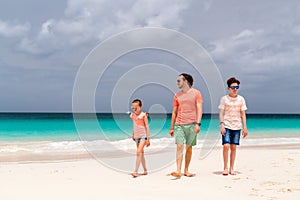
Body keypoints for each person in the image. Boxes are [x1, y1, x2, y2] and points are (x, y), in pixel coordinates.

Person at [169, 73, 203, 178]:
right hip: (179, 125)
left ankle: (186, 170)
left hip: (192, 124)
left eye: (179, 80)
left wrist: (198, 124)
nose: (177, 82)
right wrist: (171, 127)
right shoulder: (177, 95)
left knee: (189, 148)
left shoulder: (196, 93)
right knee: (179, 146)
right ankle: (178, 170)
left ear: (186, 82)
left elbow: (199, 109)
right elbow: (174, 112)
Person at [219, 77, 248, 176]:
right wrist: (221, 124)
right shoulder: (224, 99)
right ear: (228, 88)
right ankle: (225, 168)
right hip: (226, 124)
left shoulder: (241, 99)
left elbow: (243, 113)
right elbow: (221, 113)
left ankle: (232, 168)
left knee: (234, 147)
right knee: (226, 146)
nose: (235, 89)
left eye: (237, 87)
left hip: (237, 126)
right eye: (233, 87)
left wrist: (245, 127)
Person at [130, 99, 150, 178]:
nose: (135, 110)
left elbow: (147, 126)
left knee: (138, 152)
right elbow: (134, 125)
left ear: (140, 107)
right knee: (141, 154)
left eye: (136, 108)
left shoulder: (143, 115)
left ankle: (135, 171)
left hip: (143, 136)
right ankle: (145, 170)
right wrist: (133, 134)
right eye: (133, 108)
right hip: (136, 136)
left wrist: (148, 139)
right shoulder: (133, 115)